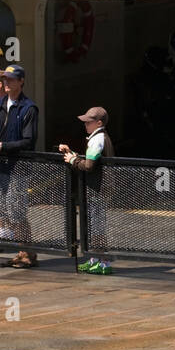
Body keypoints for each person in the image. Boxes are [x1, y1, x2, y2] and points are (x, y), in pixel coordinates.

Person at [0, 63, 39, 267]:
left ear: (21, 82)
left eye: (11, 79)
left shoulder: (28, 108)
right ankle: (21, 249)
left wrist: (0, 146)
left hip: (18, 168)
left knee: (17, 211)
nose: (6, 82)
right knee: (2, 210)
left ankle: (27, 252)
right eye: (4, 79)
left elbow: (28, 141)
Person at [62, 107, 115, 274]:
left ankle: (103, 262)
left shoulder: (97, 139)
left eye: (88, 122)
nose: (85, 124)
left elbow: (89, 165)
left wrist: (73, 160)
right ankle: (94, 259)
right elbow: (91, 160)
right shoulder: (99, 137)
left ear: (99, 123)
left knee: (97, 227)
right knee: (94, 226)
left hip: (98, 189)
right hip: (99, 189)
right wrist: (74, 155)